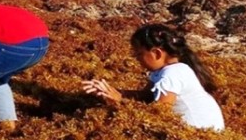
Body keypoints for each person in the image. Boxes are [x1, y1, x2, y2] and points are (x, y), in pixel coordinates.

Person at [82, 23, 224, 131]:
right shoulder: (166, 71)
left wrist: (118, 101)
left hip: (200, 134)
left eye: (138, 54)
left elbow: (158, 114)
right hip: (195, 132)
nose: (136, 59)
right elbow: (145, 96)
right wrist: (110, 91)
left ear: (156, 53)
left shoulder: (172, 74)